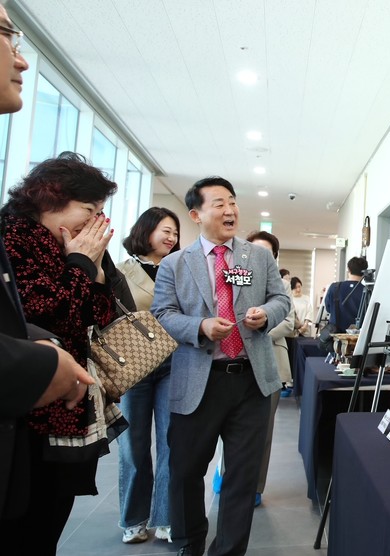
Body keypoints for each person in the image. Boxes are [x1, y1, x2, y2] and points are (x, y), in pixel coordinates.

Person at [151, 176, 290, 556]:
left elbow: (281, 299)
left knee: (241, 477)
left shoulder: (258, 257)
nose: (230, 210)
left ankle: (228, 551)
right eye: (219, 204)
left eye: (232, 201)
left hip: (251, 382)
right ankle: (188, 544)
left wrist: (267, 314)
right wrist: (200, 326)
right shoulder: (175, 264)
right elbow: (162, 314)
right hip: (198, 381)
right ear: (196, 214)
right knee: (185, 471)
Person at [0, 150, 129, 554]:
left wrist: (94, 272)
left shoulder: (74, 246)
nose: (95, 223)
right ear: (50, 198)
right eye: (89, 210)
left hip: (70, 403)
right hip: (29, 409)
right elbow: (46, 314)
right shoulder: (14, 238)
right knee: (24, 524)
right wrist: (80, 266)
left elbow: (100, 315)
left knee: (51, 517)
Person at [115, 207, 181, 544]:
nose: (171, 238)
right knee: (133, 445)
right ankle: (134, 518)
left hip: (173, 363)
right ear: (146, 230)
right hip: (133, 365)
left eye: (175, 233)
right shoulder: (119, 271)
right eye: (165, 231)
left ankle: (166, 517)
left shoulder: (179, 269)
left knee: (171, 441)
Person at [245, 230, 295, 504]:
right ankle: (227, 474)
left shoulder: (281, 285)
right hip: (235, 361)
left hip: (271, 360)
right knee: (230, 426)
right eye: (254, 250)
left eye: (267, 253)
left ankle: (255, 486)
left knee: (263, 429)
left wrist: (258, 330)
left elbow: (288, 323)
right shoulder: (235, 276)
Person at [324, 256, 368, 332]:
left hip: (335, 334)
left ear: (349, 270)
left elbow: (328, 309)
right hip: (358, 335)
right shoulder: (367, 291)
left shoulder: (334, 287)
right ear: (364, 272)